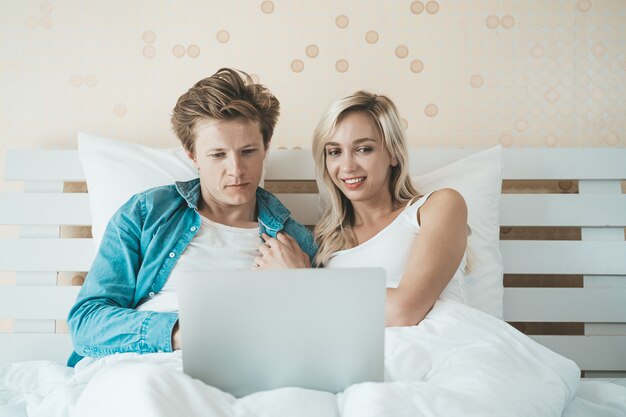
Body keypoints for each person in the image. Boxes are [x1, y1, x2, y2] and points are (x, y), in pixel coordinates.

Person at [66, 68, 316, 367]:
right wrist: (186, 334)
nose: (236, 170)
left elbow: (322, 340)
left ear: (265, 149)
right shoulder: (147, 214)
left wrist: (300, 284)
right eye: (217, 155)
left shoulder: (293, 241)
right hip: (146, 364)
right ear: (192, 156)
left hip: (247, 367)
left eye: (248, 151)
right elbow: (87, 323)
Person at [261, 90, 468, 327]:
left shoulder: (439, 206)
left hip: (441, 349)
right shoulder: (326, 239)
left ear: (392, 153)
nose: (347, 166)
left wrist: (303, 280)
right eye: (335, 152)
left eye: (363, 149)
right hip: (361, 356)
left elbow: (405, 311)